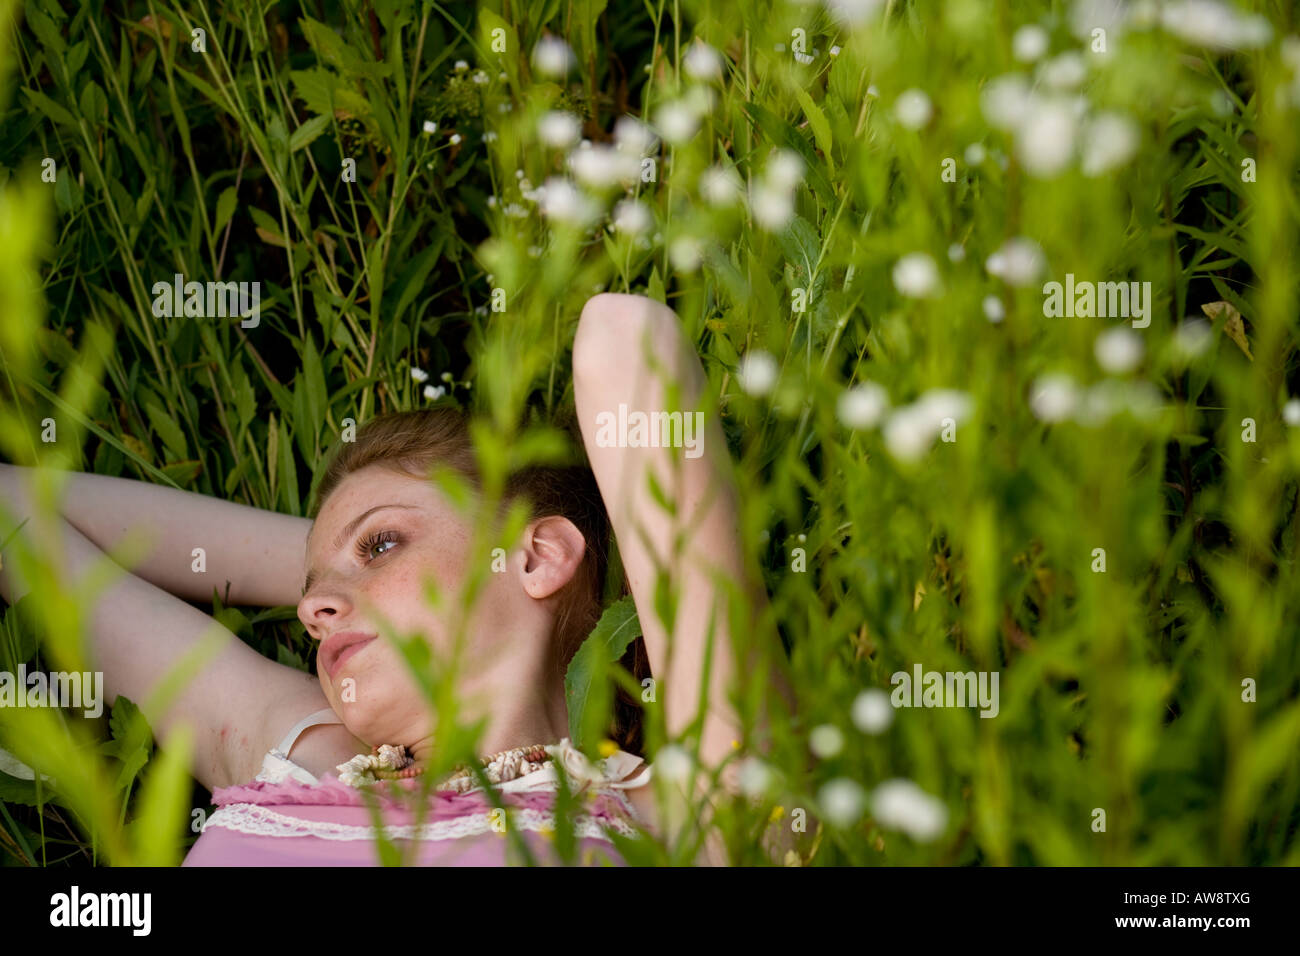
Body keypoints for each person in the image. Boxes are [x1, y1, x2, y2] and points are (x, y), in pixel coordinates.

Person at [0, 293, 797, 865]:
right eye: (312, 595)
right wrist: (340, 574)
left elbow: (627, 341)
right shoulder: (298, 754)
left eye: (383, 542)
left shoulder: (685, 808)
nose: (311, 610)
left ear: (540, 556)